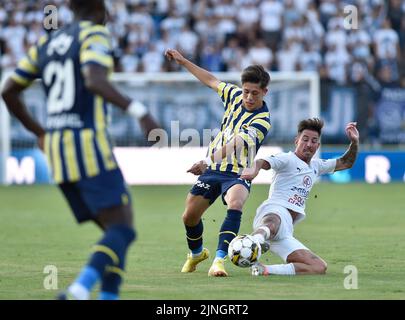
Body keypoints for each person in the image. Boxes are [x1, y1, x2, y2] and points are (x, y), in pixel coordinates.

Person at [1, 0, 159, 299]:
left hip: (57, 152)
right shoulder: (94, 34)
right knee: (123, 230)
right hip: (87, 146)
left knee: (114, 234)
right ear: (101, 10)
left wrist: (39, 132)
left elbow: (8, 90)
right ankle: (77, 291)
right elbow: (94, 80)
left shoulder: (46, 44)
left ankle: (107, 296)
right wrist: (140, 112)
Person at [165, 49, 271, 277]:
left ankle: (219, 260)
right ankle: (196, 254)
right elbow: (211, 80)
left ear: (264, 92)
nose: (249, 98)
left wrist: (205, 161)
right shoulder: (234, 95)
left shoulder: (262, 121)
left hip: (236, 174)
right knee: (189, 217)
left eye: (255, 93)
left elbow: (235, 143)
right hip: (213, 170)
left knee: (236, 203)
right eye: (246, 92)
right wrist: (183, 61)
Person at [240, 118, 359, 276]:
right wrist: (254, 170)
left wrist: (355, 142)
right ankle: (253, 241)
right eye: (305, 139)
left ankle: (264, 270)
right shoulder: (287, 159)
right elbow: (262, 161)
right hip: (273, 210)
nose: (309, 144)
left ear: (318, 145)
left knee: (318, 267)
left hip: (286, 231)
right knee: (274, 222)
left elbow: (346, 162)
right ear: (296, 141)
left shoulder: (316, 166)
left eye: (314, 141)